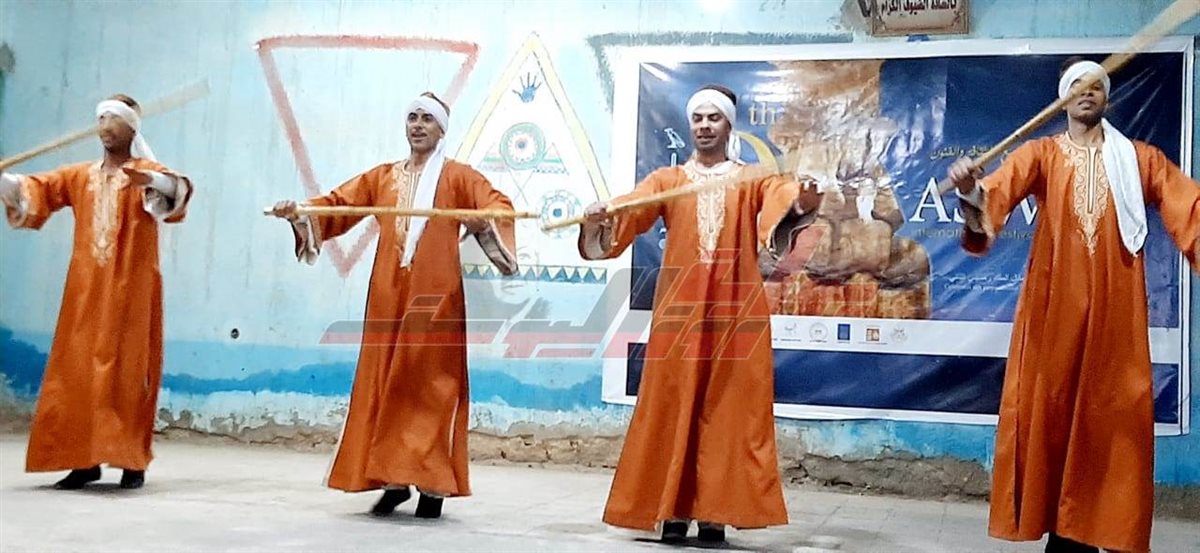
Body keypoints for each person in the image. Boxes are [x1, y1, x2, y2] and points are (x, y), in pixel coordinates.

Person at [946, 57, 1200, 553]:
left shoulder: (1139, 160)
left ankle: (1111, 530)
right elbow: (992, 198)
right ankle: (1066, 536)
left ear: (1106, 99)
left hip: (1116, 318)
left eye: (1096, 86)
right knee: (1054, 418)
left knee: (1116, 423)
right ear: (1063, 99)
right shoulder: (1042, 154)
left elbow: (1188, 206)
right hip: (1055, 314)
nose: (1087, 92)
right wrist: (971, 189)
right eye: (1076, 86)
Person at [577, 85, 821, 544]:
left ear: (729, 125)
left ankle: (714, 513)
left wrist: (800, 199)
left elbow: (783, 197)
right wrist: (600, 216)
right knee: (672, 403)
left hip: (736, 311)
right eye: (698, 118)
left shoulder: (751, 178)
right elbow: (630, 209)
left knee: (728, 410)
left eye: (714, 118)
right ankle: (671, 509)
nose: (705, 126)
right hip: (680, 312)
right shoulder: (669, 180)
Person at [269, 92, 518, 518]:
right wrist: (299, 212)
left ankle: (433, 485)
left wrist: (483, 221)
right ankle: (394, 479)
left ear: (441, 129)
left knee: (433, 387)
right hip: (387, 295)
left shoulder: (458, 178)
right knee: (384, 382)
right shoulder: (383, 177)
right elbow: (338, 205)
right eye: (412, 117)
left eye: (427, 119)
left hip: (436, 298)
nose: (418, 125)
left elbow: (500, 206)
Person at [0, 94, 194, 490]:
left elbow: (176, 191)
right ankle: (82, 461)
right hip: (86, 292)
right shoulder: (79, 176)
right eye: (100, 118)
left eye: (113, 118)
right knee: (78, 371)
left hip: (132, 291)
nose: (105, 125)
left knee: (128, 372)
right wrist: (4, 181)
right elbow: (36, 189)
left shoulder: (145, 173)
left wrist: (152, 182)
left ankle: (131, 462)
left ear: (131, 129)